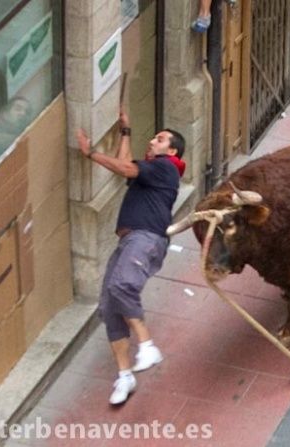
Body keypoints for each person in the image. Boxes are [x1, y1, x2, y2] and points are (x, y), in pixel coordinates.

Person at [76, 108, 186, 405]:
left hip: (145, 237)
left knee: (122, 285)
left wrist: (90, 153)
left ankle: (147, 345)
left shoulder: (166, 168)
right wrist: (125, 131)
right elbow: (126, 165)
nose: (152, 141)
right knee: (109, 306)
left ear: (172, 151)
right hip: (129, 241)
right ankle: (125, 376)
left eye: (160, 139)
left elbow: (125, 169)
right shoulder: (150, 172)